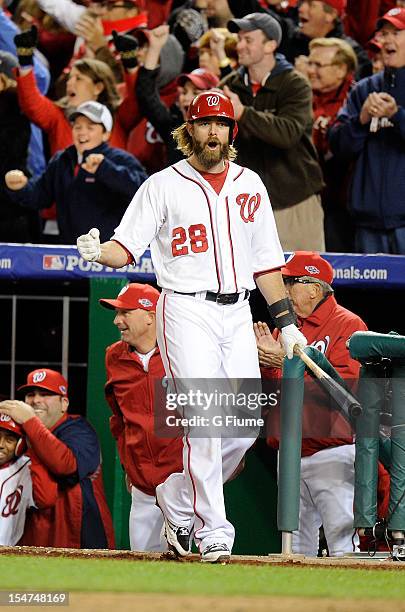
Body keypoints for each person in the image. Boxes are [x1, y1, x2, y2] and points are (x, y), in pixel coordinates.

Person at [76, 89, 307, 563]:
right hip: (185, 307)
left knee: (242, 427)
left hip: (238, 309)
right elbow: (126, 246)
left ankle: (178, 498)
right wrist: (100, 253)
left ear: (232, 131)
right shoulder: (163, 184)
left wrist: (285, 323)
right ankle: (214, 530)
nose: (214, 132)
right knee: (204, 421)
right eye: (205, 123)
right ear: (190, 130)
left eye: (221, 124)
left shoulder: (251, 185)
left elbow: (266, 265)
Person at [255, 251, 367, 557]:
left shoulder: (348, 324)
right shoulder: (285, 329)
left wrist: (283, 361)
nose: (284, 289)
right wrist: (266, 364)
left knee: (343, 543)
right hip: (290, 452)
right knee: (295, 548)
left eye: (290, 282)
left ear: (314, 288)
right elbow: (273, 394)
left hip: (332, 451)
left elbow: (348, 392)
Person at [223, 12, 324, 251]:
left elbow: (288, 134)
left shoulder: (295, 84)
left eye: (248, 40)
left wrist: (244, 114)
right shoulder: (229, 86)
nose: (240, 46)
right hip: (243, 206)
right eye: (239, 39)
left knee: (303, 279)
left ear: (270, 45)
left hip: (294, 201)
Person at [100, 282, 183, 552]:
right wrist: (129, 464)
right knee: (142, 563)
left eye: (125, 313)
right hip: (142, 485)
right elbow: (118, 419)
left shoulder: (184, 349)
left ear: (150, 315)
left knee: (183, 564)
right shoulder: (113, 356)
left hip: (182, 482)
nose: (116, 320)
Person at [0, 368, 115, 549]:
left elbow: (66, 466)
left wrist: (30, 422)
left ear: (64, 403)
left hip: (80, 537)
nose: (36, 400)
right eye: (30, 394)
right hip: (34, 536)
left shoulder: (80, 430)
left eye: (45, 394)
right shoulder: (19, 435)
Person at [5, 100, 148, 244]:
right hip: (70, 252)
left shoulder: (120, 159)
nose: (82, 132)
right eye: (77, 127)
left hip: (110, 255)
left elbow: (142, 190)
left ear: (106, 134)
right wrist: (20, 188)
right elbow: (40, 196)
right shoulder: (62, 160)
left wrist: (105, 169)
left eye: (90, 127)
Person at [329, 7, 405, 254]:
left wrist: (398, 116)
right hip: (367, 222)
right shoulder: (363, 90)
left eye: (397, 32)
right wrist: (360, 120)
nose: (387, 40)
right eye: (384, 33)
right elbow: (338, 146)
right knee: (369, 294)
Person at [136, 24, 219, 165]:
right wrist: (154, 49)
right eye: (184, 92)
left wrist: (221, 56)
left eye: (196, 92)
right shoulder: (175, 129)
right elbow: (146, 95)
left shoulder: (228, 131)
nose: (187, 98)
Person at [306, 37, 357, 252]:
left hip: (343, 204)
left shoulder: (355, 98)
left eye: (318, 65)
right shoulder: (303, 96)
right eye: (310, 63)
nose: (311, 70)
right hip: (310, 199)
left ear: (341, 69)